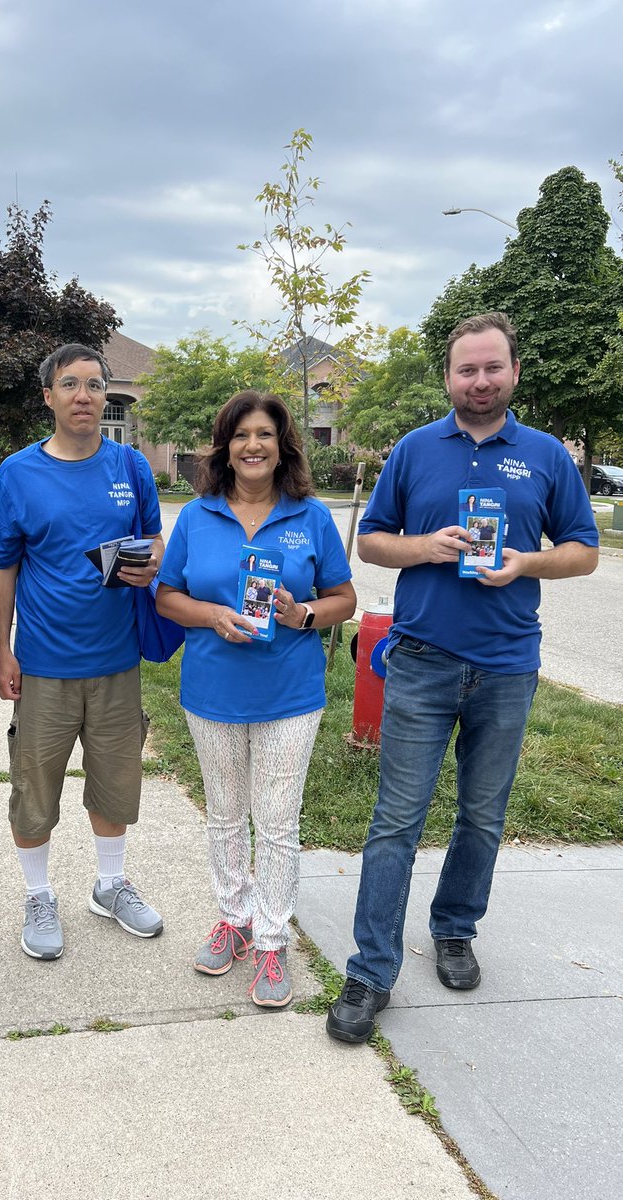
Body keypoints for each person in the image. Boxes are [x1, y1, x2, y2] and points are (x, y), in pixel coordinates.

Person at [326, 312, 599, 1044]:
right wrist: (426, 547)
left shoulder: (546, 456)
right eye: (466, 369)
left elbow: (584, 550)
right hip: (422, 661)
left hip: (507, 665)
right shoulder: (415, 450)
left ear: (514, 372)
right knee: (395, 821)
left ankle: (454, 929)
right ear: (448, 377)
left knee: (482, 814)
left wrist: (525, 562)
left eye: (492, 368)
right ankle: (370, 970)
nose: (479, 381)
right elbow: (372, 542)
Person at [156, 391, 356, 1007]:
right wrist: (212, 615)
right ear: (225, 448)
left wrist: (303, 614)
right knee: (223, 814)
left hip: (289, 694)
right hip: (213, 692)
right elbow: (167, 596)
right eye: (241, 435)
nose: (253, 445)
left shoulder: (310, 516)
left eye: (265, 434)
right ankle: (234, 918)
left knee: (275, 821)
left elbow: (344, 598)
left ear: (282, 445)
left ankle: (271, 940)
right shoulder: (197, 516)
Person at [0, 343, 165, 962]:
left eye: (93, 384)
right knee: (35, 790)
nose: (83, 395)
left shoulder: (131, 466)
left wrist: (152, 563)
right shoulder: (17, 474)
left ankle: (109, 885)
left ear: (105, 394)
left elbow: (154, 540)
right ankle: (38, 896)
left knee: (116, 783)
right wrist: (1, 649)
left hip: (117, 660)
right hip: (44, 664)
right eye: (70, 384)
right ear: (49, 396)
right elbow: (1, 568)